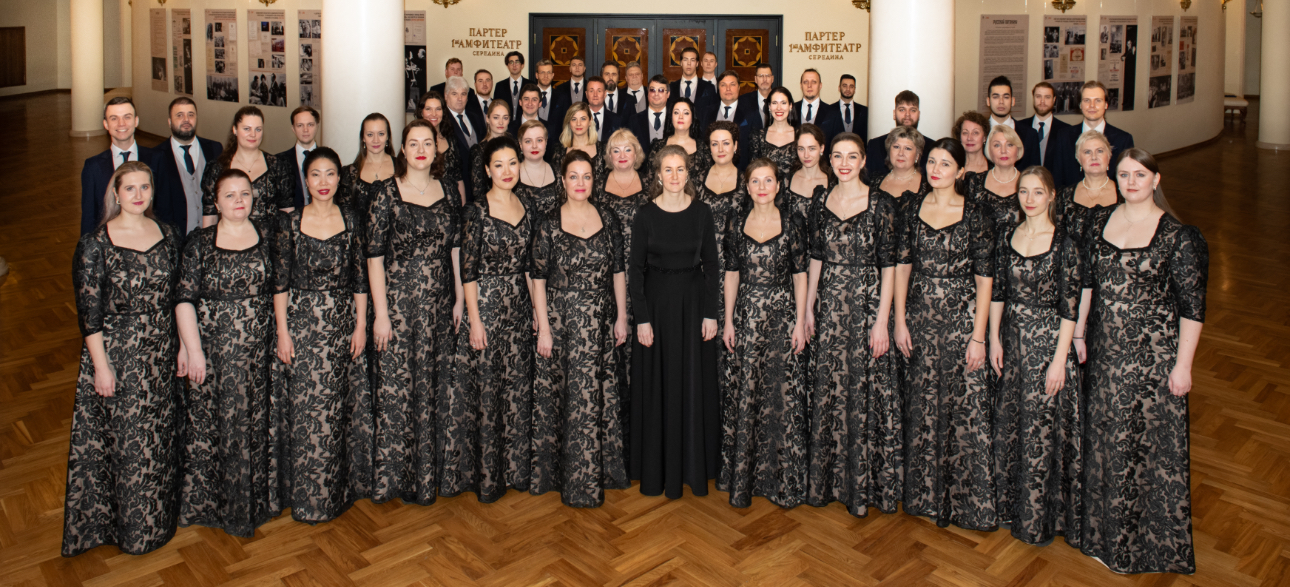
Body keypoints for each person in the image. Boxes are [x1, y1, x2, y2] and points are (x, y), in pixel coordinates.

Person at [1078, 148, 1206, 574]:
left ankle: (1139, 547)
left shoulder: (1178, 237)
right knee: (1106, 442)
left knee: (1142, 447)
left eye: (1139, 174)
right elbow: (1087, 285)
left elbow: (1192, 309)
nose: (1131, 182)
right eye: (1124, 174)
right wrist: (1078, 333)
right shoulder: (1100, 221)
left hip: (1152, 359)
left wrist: (1183, 366)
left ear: (1156, 179)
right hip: (1105, 353)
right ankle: (1102, 535)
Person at [64, 161, 185, 556]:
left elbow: (179, 298)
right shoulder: (95, 245)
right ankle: (133, 530)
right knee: (128, 442)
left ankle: (161, 518)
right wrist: (101, 367)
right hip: (119, 355)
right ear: (115, 194)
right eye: (129, 188)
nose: (138, 195)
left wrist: (184, 345)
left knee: (160, 436)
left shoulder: (169, 234)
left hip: (162, 351)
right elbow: (89, 315)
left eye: (144, 187)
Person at [893, 138, 997, 531]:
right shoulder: (911, 208)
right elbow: (903, 267)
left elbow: (985, 281)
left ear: (960, 171)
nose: (936, 170)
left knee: (963, 407)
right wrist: (900, 320)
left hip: (961, 322)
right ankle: (923, 495)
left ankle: (966, 501)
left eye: (945, 164)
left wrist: (979, 337)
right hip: (920, 318)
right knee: (922, 404)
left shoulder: (976, 214)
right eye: (932, 162)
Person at [271, 148, 374, 522]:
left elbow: (360, 278)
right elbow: (280, 283)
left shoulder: (351, 218)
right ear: (305, 179)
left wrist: (360, 325)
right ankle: (308, 497)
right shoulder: (290, 223)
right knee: (308, 410)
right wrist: (283, 333)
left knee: (340, 408)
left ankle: (341, 489)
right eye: (316, 174)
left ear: (339, 178)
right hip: (302, 326)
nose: (324, 182)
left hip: (343, 325)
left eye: (330, 173)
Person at [175, 168, 278, 537]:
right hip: (216, 355)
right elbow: (184, 300)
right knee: (220, 427)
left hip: (260, 354)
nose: (239, 201)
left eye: (245, 194)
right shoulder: (200, 242)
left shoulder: (268, 235)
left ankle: (257, 502)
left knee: (256, 426)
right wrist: (193, 350)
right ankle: (220, 506)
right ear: (216, 203)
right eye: (230, 195)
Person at [366, 119, 464, 505]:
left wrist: (459, 297)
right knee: (399, 387)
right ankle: (398, 476)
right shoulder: (386, 193)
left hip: (439, 304)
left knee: (437, 385)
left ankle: (433, 472)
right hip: (399, 306)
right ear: (402, 150)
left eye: (427, 143)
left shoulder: (448, 191)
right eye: (413, 143)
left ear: (436, 149)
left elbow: (455, 248)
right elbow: (374, 257)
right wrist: (381, 313)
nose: (421, 149)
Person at [803, 133, 902, 517]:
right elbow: (816, 257)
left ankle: (865, 486)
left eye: (852, 157)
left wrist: (882, 322)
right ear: (830, 160)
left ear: (863, 161)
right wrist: (809, 308)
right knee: (831, 388)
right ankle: (828, 482)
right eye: (838, 156)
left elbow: (889, 267)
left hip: (867, 307)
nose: (844, 163)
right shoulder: (820, 201)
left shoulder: (881, 204)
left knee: (864, 392)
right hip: (830, 307)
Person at [986, 166, 1083, 547]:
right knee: (1012, 424)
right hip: (1012, 341)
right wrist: (994, 338)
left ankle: (1039, 517)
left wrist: (1060, 360)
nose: (1029, 199)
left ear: (1052, 196)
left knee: (1041, 430)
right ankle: (1010, 506)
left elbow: (1069, 309)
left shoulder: (1065, 243)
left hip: (1047, 345)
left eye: (1037, 192)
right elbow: (998, 292)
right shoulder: (1008, 235)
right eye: (1023, 191)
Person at [530, 150, 630, 507]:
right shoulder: (548, 222)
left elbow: (618, 271)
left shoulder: (609, 217)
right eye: (573, 176)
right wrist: (544, 328)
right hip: (562, 324)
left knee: (595, 396)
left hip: (600, 322)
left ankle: (598, 473)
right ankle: (565, 477)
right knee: (565, 398)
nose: (580, 183)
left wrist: (621, 316)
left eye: (586, 176)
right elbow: (538, 279)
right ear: (563, 180)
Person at [440, 136, 538, 503]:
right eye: (499, 165)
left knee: (516, 389)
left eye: (512, 163)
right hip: (487, 308)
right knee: (486, 390)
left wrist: (536, 312)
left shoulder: (527, 205)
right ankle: (485, 475)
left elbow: (529, 266)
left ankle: (515, 470)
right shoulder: (476, 211)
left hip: (519, 309)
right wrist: (475, 320)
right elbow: (468, 272)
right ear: (487, 170)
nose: (507, 171)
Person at [627, 145, 722, 499]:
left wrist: (711, 312)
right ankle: (658, 470)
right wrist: (642, 319)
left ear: (688, 173)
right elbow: (635, 272)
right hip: (656, 307)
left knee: (691, 382)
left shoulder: (702, 212)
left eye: (680, 169)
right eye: (667, 170)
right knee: (659, 384)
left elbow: (712, 266)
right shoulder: (645, 215)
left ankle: (692, 467)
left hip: (694, 308)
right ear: (657, 175)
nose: (674, 176)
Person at [719, 157, 809, 508]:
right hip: (746, 316)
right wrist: (728, 320)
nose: (761, 187)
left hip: (782, 317)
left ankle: (782, 480)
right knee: (748, 392)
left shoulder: (793, 221)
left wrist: (799, 321)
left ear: (778, 185)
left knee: (780, 394)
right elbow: (731, 273)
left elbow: (800, 275)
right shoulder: (736, 220)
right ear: (747, 186)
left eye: (768, 180)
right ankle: (744, 477)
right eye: (755, 181)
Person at [596, 129, 651, 429]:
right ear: (608, 155)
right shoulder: (596, 187)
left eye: (627, 149)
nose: (621, 155)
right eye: (615, 150)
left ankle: (641, 423)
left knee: (641, 350)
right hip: (607, 278)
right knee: (612, 348)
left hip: (645, 277)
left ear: (637, 153)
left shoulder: (651, 186)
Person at [80, 97, 167, 235]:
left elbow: (164, 206)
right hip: (109, 240)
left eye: (127, 117)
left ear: (136, 121)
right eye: (114, 118)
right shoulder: (93, 167)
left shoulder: (157, 158)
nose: (121, 123)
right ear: (105, 124)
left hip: (149, 236)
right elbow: (89, 215)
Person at [201, 106, 294, 228]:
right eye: (247, 129)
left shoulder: (278, 165)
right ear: (235, 129)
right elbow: (210, 215)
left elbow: (287, 211)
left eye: (258, 129)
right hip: (230, 237)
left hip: (270, 238)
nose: (253, 134)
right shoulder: (217, 168)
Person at [154, 97, 223, 234]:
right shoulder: (156, 156)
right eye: (179, 115)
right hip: (176, 237)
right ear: (169, 122)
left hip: (211, 235)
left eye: (190, 115)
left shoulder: (215, 149)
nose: (186, 119)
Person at [1048, 81, 1135, 187]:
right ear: (1080, 105)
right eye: (1087, 100)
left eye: (1098, 100)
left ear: (1106, 104)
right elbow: (1057, 176)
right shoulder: (1064, 136)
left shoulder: (1123, 139)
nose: (1092, 106)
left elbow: (1126, 180)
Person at [1054, 131, 1121, 253]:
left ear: (1109, 156)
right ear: (1079, 159)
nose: (1094, 157)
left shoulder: (1124, 194)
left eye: (1100, 151)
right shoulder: (1063, 196)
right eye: (1087, 152)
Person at [337, 113, 396, 227]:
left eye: (381, 134)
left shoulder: (402, 167)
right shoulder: (348, 173)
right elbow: (345, 217)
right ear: (363, 138)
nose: (375, 140)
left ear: (388, 136)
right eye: (370, 134)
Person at [969, 125, 1026, 232]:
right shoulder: (974, 181)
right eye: (997, 145)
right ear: (989, 150)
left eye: (1009, 144)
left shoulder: (1029, 183)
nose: (1003, 150)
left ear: (1018, 150)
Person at [984, 76, 1043, 170]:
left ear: (1013, 101)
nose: (1001, 102)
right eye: (995, 97)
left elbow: (1035, 172)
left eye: (1006, 97)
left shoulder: (1030, 135)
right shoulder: (979, 132)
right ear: (988, 101)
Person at [643, 98, 708, 182]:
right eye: (676, 113)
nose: (680, 117)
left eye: (686, 113)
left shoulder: (703, 148)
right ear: (671, 117)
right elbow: (650, 180)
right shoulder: (657, 147)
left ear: (692, 118)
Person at [417, 91, 467, 199]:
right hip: (424, 201)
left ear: (443, 112)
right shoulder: (414, 142)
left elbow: (458, 178)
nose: (434, 114)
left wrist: (463, 206)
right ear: (421, 112)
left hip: (452, 202)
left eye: (438, 109)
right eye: (428, 109)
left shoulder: (451, 140)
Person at [866, 91, 924, 178]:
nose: (907, 114)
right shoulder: (875, 145)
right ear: (894, 114)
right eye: (902, 109)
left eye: (913, 110)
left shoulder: (931, 147)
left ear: (919, 115)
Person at [783, 123, 836, 220]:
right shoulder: (786, 181)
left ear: (822, 148)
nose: (806, 155)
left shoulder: (833, 183)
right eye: (801, 149)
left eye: (812, 149)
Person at [706, 70, 757, 170]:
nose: (728, 88)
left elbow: (755, 149)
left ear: (738, 87)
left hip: (741, 171)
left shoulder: (752, 114)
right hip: (712, 171)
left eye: (732, 84)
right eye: (723, 85)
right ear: (718, 88)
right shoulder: (706, 113)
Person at [445, 76, 486, 200]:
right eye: (454, 94)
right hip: (455, 188)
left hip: (479, 187)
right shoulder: (442, 122)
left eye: (463, 94)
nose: (459, 98)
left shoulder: (476, 118)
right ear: (446, 96)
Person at [275, 106, 320, 211]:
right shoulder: (279, 161)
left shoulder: (328, 159)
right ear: (293, 129)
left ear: (317, 126)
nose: (305, 130)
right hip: (291, 217)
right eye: (300, 125)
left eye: (310, 124)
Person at [748, 87, 799, 180]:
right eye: (774, 103)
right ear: (769, 107)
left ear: (790, 106)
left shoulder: (800, 135)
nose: (779, 108)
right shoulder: (758, 137)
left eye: (783, 103)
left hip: (795, 188)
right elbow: (753, 172)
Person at [469, 100, 515, 200]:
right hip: (490, 204)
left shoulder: (514, 145)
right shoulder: (479, 151)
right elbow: (478, 191)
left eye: (505, 118)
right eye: (496, 117)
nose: (501, 122)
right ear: (488, 119)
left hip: (513, 199)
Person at [871, 126, 930, 202]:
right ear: (889, 151)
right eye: (896, 147)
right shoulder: (874, 182)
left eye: (908, 148)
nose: (901, 153)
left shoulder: (928, 187)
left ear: (917, 155)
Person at [1018, 82, 1070, 167]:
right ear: (1033, 98)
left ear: (1054, 100)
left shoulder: (1066, 130)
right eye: (1038, 96)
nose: (1042, 101)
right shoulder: (1019, 127)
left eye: (1047, 97)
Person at [515, 119, 561, 215]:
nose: (534, 146)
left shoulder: (559, 172)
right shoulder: (512, 175)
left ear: (546, 142)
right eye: (528, 141)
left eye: (539, 140)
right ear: (520, 144)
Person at [549, 102, 603, 172]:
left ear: (590, 121)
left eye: (583, 119)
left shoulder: (603, 150)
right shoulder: (558, 151)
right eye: (574, 119)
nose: (578, 123)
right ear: (569, 123)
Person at [794, 69, 842, 146]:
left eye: (814, 82)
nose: (809, 85)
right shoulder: (790, 110)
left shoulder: (833, 113)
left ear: (820, 85)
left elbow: (838, 143)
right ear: (801, 85)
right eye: (805, 82)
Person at [628, 75, 672, 150]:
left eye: (661, 90)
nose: (656, 94)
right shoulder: (634, 120)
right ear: (647, 93)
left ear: (668, 94)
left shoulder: (674, 119)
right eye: (652, 90)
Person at [670, 47, 716, 114]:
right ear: (681, 63)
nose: (689, 63)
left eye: (692, 60)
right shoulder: (671, 87)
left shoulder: (709, 88)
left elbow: (713, 114)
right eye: (685, 60)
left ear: (697, 63)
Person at [535, 60, 570, 139]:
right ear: (537, 75)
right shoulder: (528, 96)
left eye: (548, 72)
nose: (546, 76)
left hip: (556, 143)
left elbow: (566, 123)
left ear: (552, 75)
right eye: (542, 72)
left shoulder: (562, 97)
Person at [954, 111, 992, 178]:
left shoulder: (995, 167)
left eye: (975, 133)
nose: (969, 138)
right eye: (965, 133)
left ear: (985, 137)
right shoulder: (952, 166)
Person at [736, 64, 775, 131]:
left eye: (767, 76)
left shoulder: (781, 100)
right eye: (761, 76)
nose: (764, 79)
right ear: (755, 79)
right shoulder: (743, 101)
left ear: (772, 79)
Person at [836, 74, 868, 139]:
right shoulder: (829, 110)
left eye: (851, 86)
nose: (848, 89)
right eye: (845, 86)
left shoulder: (865, 111)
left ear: (854, 89)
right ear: (839, 88)